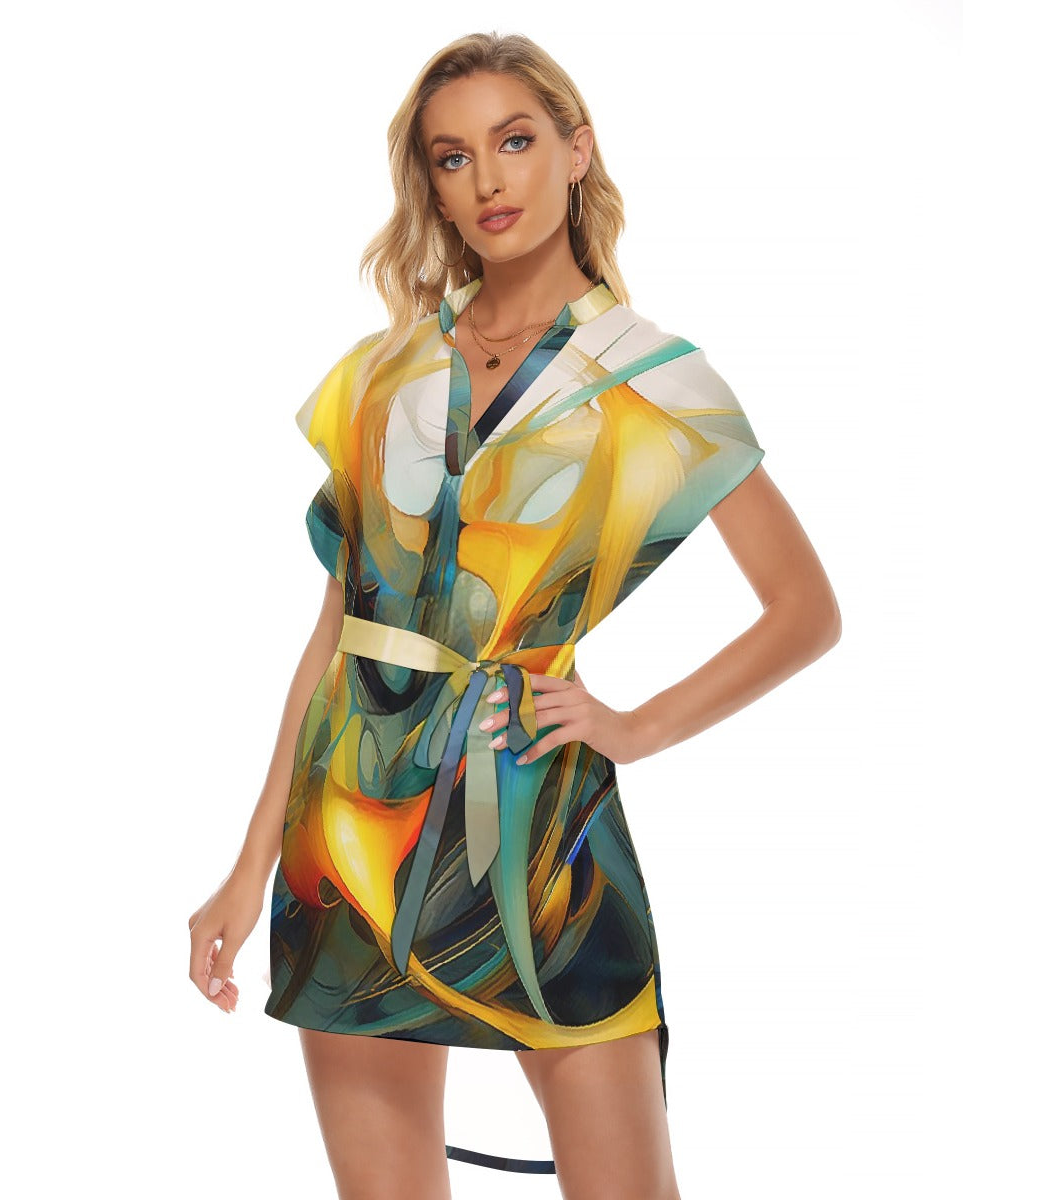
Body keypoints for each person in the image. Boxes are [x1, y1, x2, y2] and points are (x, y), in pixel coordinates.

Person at [187, 30, 840, 1200]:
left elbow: (805, 610)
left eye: (516, 140)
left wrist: (633, 726)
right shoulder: (384, 372)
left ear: (577, 151)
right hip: (349, 834)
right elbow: (338, 638)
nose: (488, 179)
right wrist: (248, 868)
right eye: (452, 157)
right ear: (430, 186)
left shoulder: (651, 378)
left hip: (540, 832)